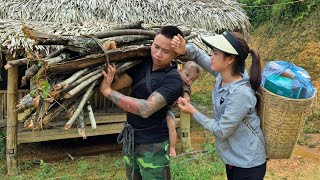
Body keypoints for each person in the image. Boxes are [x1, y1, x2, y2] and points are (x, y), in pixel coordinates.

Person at [171, 31, 267, 180]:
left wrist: (194, 112)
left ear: (230, 59)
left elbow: (222, 130)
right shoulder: (222, 76)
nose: (211, 57)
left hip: (248, 164)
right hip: (234, 159)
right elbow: (197, 54)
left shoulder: (241, 93)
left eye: (215, 53)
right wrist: (184, 50)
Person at [100, 26, 184, 180]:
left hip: (153, 144)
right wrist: (109, 70)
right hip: (131, 139)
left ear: (176, 53)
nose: (158, 54)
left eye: (165, 52)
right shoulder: (142, 64)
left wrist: (108, 92)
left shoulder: (173, 80)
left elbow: (146, 109)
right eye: (156, 47)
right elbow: (117, 84)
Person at [167, 61, 201, 157]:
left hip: (168, 108)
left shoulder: (185, 86)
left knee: (171, 126)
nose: (188, 79)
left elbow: (187, 97)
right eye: (187, 75)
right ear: (180, 70)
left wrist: (182, 99)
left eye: (192, 80)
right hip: (157, 103)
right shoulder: (173, 73)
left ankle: (172, 148)